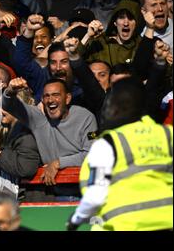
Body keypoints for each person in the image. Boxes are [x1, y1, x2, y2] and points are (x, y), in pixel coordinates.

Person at [67, 78, 173, 231]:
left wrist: (75, 219)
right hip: (167, 221)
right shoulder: (167, 134)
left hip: (125, 224)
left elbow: (96, 195)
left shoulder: (108, 143)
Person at [3, 77, 97, 200]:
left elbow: (92, 154)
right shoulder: (38, 118)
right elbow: (10, 105)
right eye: (46, 96)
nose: (51, 100)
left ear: (67, 98)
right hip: (52, 191)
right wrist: (10, 90)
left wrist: (58, 163)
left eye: (56, 95)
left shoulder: (86, 117)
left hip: (84, 190)